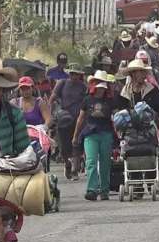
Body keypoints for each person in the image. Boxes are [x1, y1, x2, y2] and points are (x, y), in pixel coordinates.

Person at [73, 72, 115, 201]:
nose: (101, 88)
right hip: (90, 133)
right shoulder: (87, 99)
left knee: (105, 163)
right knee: (91, 162)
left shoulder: (110, 100)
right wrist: (75, 136)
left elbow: (116, 117)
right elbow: (80, 118)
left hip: (106, 133)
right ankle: (91, 189)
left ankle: (104, 190)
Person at [49, 63, 88, 179]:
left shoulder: (83, 86)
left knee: (76, 143)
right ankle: (67, 163)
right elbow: (52, 98)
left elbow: (86, 102)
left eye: (76, 74)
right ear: (69, 74)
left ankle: (75, 171)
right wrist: (50, 114)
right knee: (64, 146)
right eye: (72, 73)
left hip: (79, 119)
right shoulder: (62, 83)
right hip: (64, 118)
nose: (74, 76)